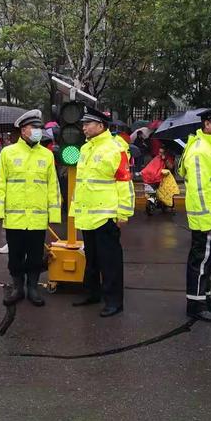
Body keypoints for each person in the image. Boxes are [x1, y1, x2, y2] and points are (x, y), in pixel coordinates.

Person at [0, 109, 61, 307]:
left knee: (35, 256)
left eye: (39, 127)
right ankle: (17, 288)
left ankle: (32, 288)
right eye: (34, 127)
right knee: (15, 257)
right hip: (15, 218)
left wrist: (53, 214)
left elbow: (53, 186)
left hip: (38, 219)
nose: (38, 131)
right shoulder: (8, 153)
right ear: (23, 131)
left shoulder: (46, 155)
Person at [70, 106, 135, 317]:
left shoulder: (115, 148)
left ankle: (114, 301)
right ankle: (92, 293)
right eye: (83, 124)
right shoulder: (86, 148)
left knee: (110, 261)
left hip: (106, 214)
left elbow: (124, 181)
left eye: (87, 123)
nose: (84, 127)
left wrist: (123, 213)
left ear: (100, 125)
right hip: (88, 213)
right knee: (92, 257)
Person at [178, 104, 211, 323]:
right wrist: (204, 218)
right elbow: (198, 189)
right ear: (207, 124)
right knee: (200, 261)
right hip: (206, 218)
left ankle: (205, 297)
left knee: (208, 261)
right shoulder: (201, 150)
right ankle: (195, 305)